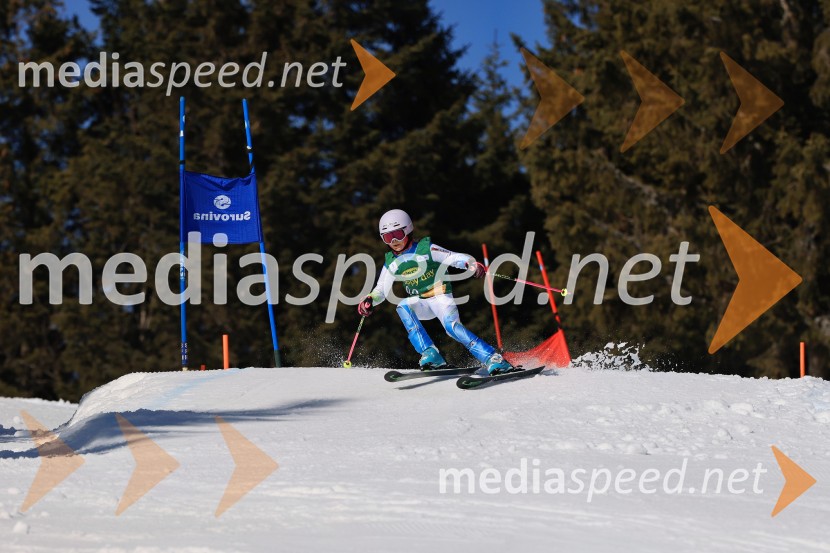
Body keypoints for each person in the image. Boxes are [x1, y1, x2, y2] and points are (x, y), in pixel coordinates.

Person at [357, 209, 516, 375]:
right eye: (388, 237)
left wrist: (471, 264)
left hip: (441, 297)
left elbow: (453, 257)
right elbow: (381, 289)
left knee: (452, 327)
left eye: (397, 234)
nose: (394, 240)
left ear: (408, 230)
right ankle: (431, 355)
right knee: (403, 306)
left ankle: (494, 359)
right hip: (422, 302)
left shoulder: (426, 249)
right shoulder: (392, 262)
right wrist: (370, 299)